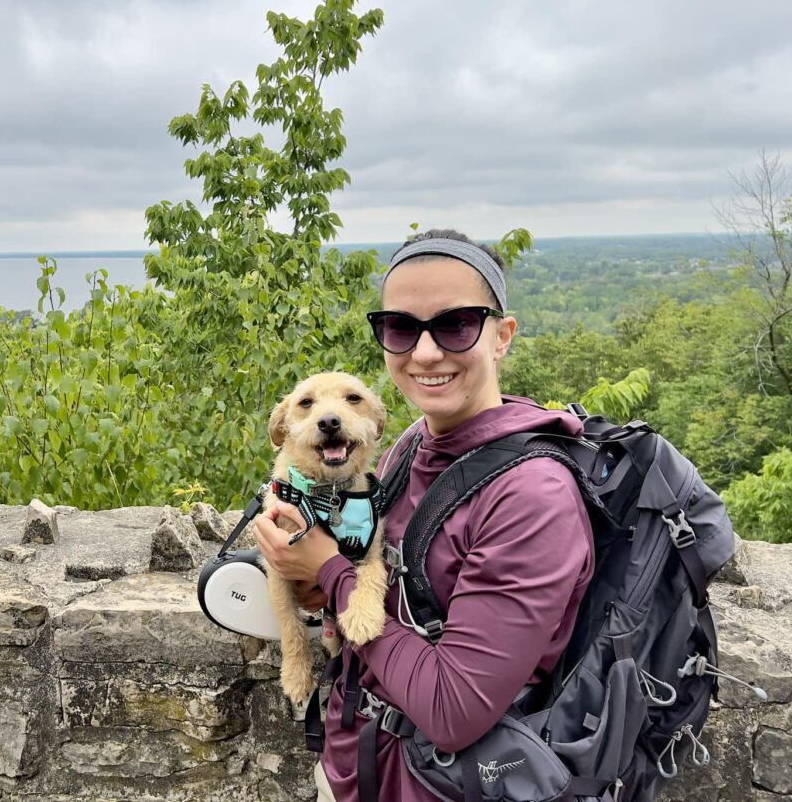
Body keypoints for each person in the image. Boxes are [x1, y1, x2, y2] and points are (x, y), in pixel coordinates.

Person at [254, 229, 595, 802]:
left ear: (502, 336)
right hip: (353, 766)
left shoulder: (532, 497)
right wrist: (317, 590)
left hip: (438, 786)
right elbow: (388, 587)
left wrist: (330, 572)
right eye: (402, 328)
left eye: (457, 324)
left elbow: (452, 709)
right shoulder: (412, 446)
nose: (427, 352)